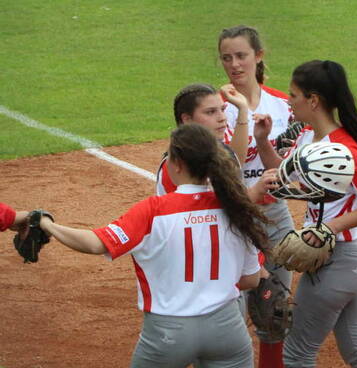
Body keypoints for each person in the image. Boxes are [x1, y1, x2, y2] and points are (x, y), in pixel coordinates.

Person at [38, 124, 269, 367]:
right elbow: (251, 280)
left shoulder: (153, 210)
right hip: (227, 330)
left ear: (178, 164)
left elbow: (97, 244)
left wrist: (48, 225)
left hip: (169, 334)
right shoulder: (236, 207)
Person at [253, 59, 357, 368]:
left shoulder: (342, 149)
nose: (289, 102)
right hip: (355, 257)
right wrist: (263, 140)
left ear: (313, 100)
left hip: (341, 259)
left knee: (295, 356)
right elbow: (280, 170)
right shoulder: (308, 136)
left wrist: (327, 228)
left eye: (294, 95)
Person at [218, 25, 296, 368]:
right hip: (233, 216)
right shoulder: (215, 107)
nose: (234, 65)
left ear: (258, 57)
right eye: (226, 58)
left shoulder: (283, 105)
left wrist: (265, 148)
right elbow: (228, 165)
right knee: (229, 307)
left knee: (274, 307)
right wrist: (244, 116)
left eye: (241, 56)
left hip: (275, 214)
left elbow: (289, 170)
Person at [156, 83, 279, 202]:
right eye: (210, 112)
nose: (222, 118)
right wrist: (255, 191)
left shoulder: (215, 151)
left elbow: (235, 161)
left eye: (222, 109)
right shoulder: (178, 164)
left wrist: (242, 109)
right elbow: (211, 210)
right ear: (187, 119)